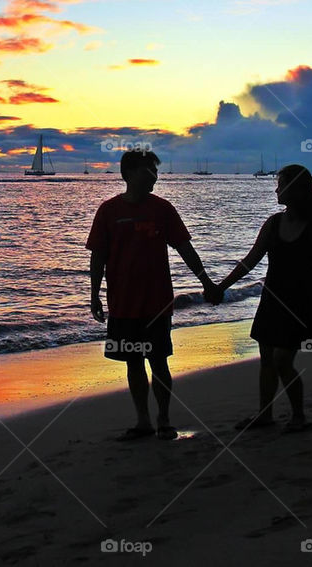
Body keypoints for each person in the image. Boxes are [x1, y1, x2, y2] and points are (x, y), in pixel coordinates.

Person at [206, 164, 312, 433]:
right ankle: (265, 415)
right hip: (273, 299)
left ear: (296, 189)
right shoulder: (273, 224)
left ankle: (299, 416)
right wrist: (221, 287)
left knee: (283, 360)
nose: (276, 189)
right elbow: (250, 261)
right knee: (267, 358)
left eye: (281, 184)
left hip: (301, 304)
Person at [87, 150, 217, 441]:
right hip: (122, 303)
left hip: (157, 302)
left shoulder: (163, 209)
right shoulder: (108, 211)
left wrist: (206, 282)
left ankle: (164, 419)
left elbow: (185, 249)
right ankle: (142, 420)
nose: (155, 177)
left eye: (156, 172)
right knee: (133, 362)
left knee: (158, 361)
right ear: (130, 174)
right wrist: (94, 295)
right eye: (149, 171)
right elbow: (98, 257)